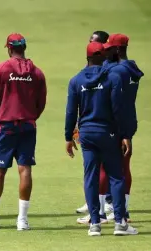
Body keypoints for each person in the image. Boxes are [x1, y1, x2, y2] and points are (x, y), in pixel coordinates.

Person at [64, 41, 137, 236]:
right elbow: (118, 109)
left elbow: (71, 111)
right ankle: (120, 223)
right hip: (109, 133)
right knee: (116, 176)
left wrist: (68, 137)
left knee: (91, 176)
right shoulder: (112, 78)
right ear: (101, 56)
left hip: (86, 134)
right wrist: (125, 135)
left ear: (87, 57)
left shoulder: (76, 80)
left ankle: (94, 223)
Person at [0, 33, 46, 230]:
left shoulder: (0, 69)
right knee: (25, 169)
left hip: (6, 126)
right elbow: (41, 103)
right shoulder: (37, 72)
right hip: (28, 125)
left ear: (9, 48)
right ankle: (22, 220)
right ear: (24, 48)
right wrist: (31, 116)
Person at [101, 34, 144, 222]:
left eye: (109, 49)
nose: (106, 51)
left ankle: (100, 212)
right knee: (124, 167)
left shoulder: (116, 72)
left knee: (104, 167)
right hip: (128, 123)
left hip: (112, 125)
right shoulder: (131, 69)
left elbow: (110, 101)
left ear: (117, 50)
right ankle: (123, 211)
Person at [76, 30, 112, 215]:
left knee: (105, 166)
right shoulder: (92, 65)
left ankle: (105, 205)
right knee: (94, 166)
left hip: (104, 126)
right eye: (90, 41)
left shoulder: (109, 70)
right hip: (90, 125)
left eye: (95, 41)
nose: (91, 43)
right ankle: (96, 203)